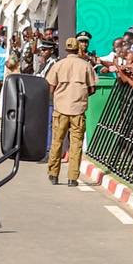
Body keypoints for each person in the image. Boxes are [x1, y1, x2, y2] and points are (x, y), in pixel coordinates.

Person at [42, 38, 97, 186]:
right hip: (78, 110)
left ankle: (53, 174)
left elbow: (50, 87)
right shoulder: (86, 66)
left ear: (66, 49)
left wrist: (60, 97)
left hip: (60, 109)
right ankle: (72, 178)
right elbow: (92, 89)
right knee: (76, 144)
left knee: (57, 142)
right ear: (78, 48)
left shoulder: (58, 65)